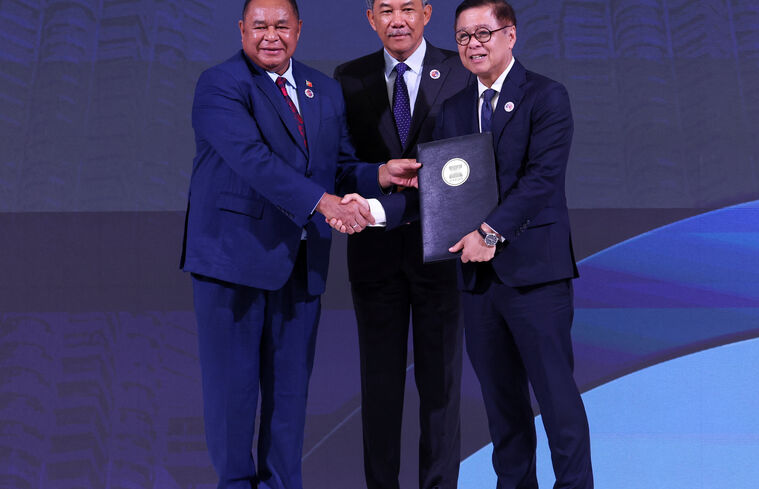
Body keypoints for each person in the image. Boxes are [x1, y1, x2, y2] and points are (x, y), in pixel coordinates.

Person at [179, 0, 418, 487]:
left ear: (299, 30)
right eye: (260, 26)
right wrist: (326, 204)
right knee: (234, 396)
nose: (271, 35)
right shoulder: (221, 84)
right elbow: (253, 160)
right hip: (233, 262)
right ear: (241, 29)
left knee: (289, 399)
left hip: (302, 261)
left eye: (282, 26)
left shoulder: (323, 89)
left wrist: (378, 174)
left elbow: (337, 164)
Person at [437, 1, 594, 488]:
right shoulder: (452, 109)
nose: (473, 45)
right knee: (502, 410)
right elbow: (448, 188)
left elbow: (541, 179)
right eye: (463, 37)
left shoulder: (546, 96)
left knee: (557, 405)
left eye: (483, 33)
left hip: (536, 277)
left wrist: (489, 233)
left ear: (511, 35)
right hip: (478, 282)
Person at [331, 1, 473, 488]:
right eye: (385, 9)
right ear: (370, 18)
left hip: (443, 252)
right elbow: (338, 164)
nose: (398, 19)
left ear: (427, 13)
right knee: (380, 390)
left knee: (441, 389)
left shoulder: (459, 71)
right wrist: (375, 175)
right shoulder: (348, 78)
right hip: (374, 258)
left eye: (408, 8)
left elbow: (472, 161)